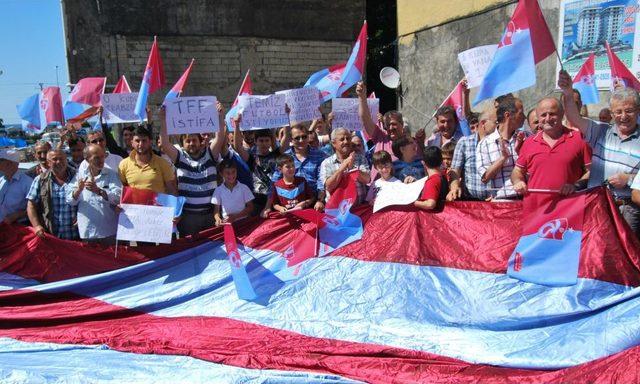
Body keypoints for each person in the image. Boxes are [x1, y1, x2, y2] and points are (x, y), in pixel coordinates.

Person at [558, 70, 640, 235]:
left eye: (629, 111)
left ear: (638, 111)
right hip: (597, 206)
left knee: (624, 258)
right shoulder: (601, 131)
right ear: (612, 113)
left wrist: (629, 179)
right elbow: (574, 118)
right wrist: (567, 92)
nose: (623, 116)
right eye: (618, 112)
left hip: (627, 210)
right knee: (596, 254)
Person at [158, 104, 226, 236]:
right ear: (182, 144)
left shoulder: (210, 154)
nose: (191, 143)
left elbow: (220, 137)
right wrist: (163, 119)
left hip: (210, 214)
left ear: (200, 142)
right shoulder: (180, 157)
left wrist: (220, 116)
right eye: (187, 141)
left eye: (194, 140)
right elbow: (165, 144)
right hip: (188, 217)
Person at [511, 98, 591, 196]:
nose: (548, 119)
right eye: (543, 115)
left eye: (552, 114)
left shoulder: (579, 139)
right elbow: (517, 171)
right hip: (536, 208)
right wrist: (518, 181)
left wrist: (576, 186)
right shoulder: (529, 142)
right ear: (538, 118)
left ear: (562, 115)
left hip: (570, 207)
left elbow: (591, 171)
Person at [233, 115, 290, 214]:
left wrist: (286, 116)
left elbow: (287, 138)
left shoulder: (276, 155)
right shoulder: (251, 158)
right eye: (261, 141)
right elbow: (237, 146)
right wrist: (237, 125)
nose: (264, 143)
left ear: (271, 141)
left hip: (276, 200)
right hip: (257, 202)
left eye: (267, 140)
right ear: (256, 141)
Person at [67, 144, 122, 243]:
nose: (101, 160)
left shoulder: (111, 174)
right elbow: (70, 200)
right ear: (87, 159)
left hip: (109, 230)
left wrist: (99, 191)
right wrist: (79, 189)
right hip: (88, 231)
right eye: (96, 158)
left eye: (102, 156)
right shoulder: (80, 175)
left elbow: (118, 197)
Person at [476, 97, 529, 199]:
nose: (524, 117)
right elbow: (485, 177)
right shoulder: (485, 143)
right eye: (521, 113)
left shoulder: (527, 137)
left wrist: (520, 151)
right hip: (503, 203)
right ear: (507, 115)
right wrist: (503, 158)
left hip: (526, 199)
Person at [271, 124, 326, 211]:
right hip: (289, 205)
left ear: (308, 137)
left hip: (315, 203)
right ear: (291, 140)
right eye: (297, 138)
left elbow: (322, 180)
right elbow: (275, 181)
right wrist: (267, 206)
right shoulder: (285, 156)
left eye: (304, 137)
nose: (301, 140)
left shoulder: (320, 155)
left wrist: (320, 200)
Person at [26, 150, 79, 240]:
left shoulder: (78, 177)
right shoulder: (40, 180)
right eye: (54, 159)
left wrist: (82, 217)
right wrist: (37, 226)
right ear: (48, 162)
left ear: (66, 160)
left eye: (61, 159)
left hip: (76, 235)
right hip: (51, 236)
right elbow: (31, 205)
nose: (59, 162)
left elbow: (89, 201)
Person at [447, 107, 497, 201]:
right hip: (471, 203)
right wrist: (454, 188)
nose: (499, 126)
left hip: (494, 202)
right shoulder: (464, 143)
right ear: (483, 123)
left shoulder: (499, 143)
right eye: (496, 122)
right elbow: (455, 173)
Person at [119, 125, 177, 195]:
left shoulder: (163, 163)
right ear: (132, 143)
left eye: (144, 140)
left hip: (158, 205)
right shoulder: (123, 165)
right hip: (134, 206)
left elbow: (171, 191)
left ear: (150, 142)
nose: (141, 144)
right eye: (137, 141)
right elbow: (123, 191)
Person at [319, 128, 371, 204]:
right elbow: (329, 186)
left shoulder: (360, 158)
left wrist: (353, 168)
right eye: (342, 139)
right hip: (337, 212)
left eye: (348, 138)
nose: (346, 141)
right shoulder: (326, 163)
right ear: (334, 143)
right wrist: (342, 167)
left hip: (360, 208)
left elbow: (367, 179)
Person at [212, 159, 254, 225]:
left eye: (233, 172)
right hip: (228, 225)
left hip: (244, 223)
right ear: (221, 174)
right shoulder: (218, 190)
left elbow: (250, 207)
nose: (231, 175)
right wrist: (217, 219)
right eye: (227, 173)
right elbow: (216, 211)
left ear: (236, 171)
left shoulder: (244, 188)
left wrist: (235, 217)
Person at [0, 149, 32, 225]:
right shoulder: (1, 180)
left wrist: (17, 215)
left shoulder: (27, 182)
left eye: (0, 160)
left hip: (18, 227)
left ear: (9, 163)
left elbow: (35, 207)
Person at [414, 146, 448, 211]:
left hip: (433, 218)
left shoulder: (432, 181)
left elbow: (430, 204)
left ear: (423, 163)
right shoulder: (443, 176)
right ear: (441, 161)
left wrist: (414, 203)